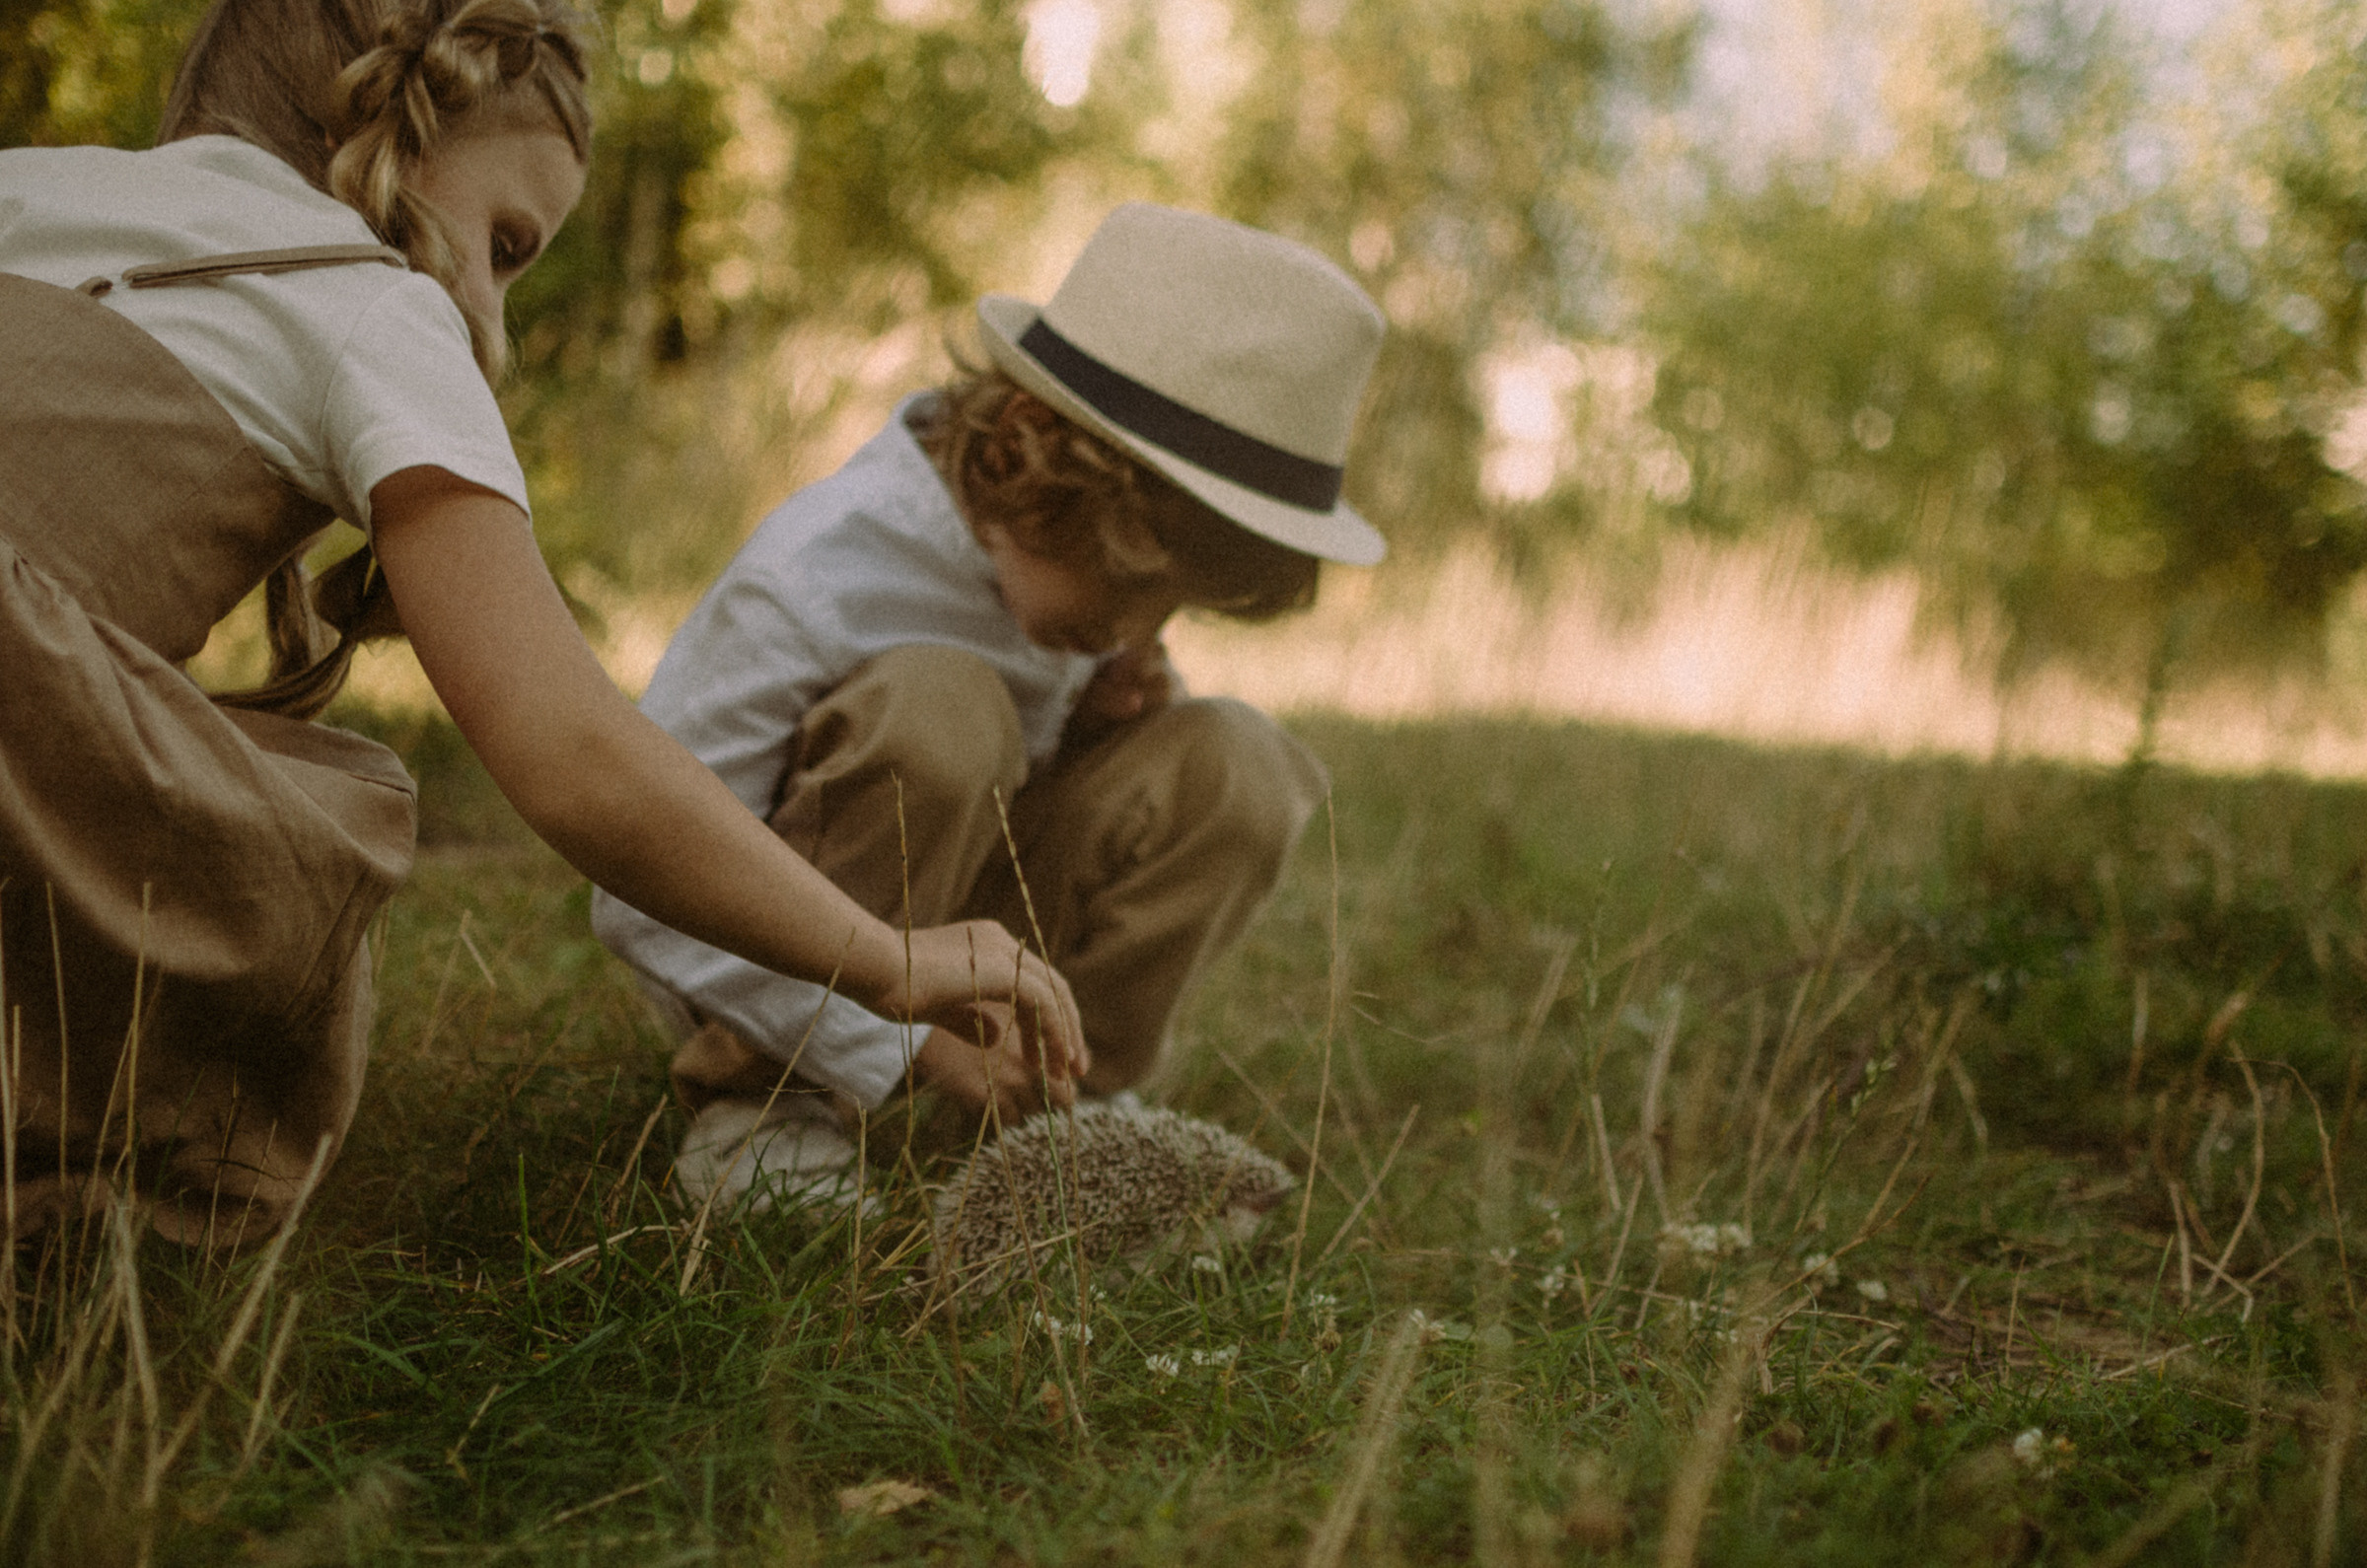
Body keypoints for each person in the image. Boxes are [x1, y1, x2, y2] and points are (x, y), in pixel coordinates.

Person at [0, 0, 1080, 1247]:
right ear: (397, 134)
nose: (495, 328)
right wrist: (881, 960)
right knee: (302, 831)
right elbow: (567, 750)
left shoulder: (38, 183)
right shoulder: (370, 302)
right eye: (506, 245)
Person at [592, 202, 1387, 1208]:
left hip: (976, 950)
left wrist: (1097, 735)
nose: (1142, 634)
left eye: (1178, 606)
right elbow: (636, 881)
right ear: (1020, 450)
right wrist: (903, 1038)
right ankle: (767, 1103)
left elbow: (1023, 803)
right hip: (793, 957)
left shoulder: (1061, 586)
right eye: (1132, 585)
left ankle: (1054, 1103)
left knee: (1239, 761)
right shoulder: (818, 574)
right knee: (940, 711)